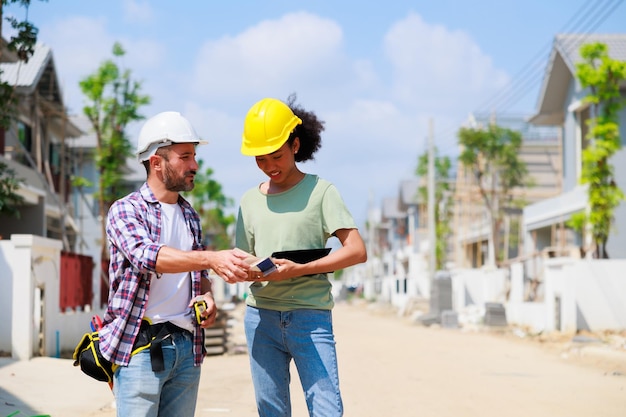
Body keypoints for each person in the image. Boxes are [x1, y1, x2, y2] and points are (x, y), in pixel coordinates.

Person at [99, 111, 250, 417]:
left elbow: (199, 274)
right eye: (185, 157)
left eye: (194, 156)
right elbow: (146, 256)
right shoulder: (126, 211)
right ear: (157, 162)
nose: (194, 165)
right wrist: (211, 257)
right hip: (139, 348)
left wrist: (207, 295)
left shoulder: (190, 216)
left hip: (186, 348)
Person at [235, 97, 368, 417]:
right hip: (260, 319)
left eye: (276, 156)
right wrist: (247, 269)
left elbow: (356, 251)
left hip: (310, 317)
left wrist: (299, 269)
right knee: (271, 411)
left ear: (295, 145)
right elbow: (243, 258)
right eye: (260, 159)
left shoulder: (322, 192)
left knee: (326, 408)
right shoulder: (248, 202)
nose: (269, 166)